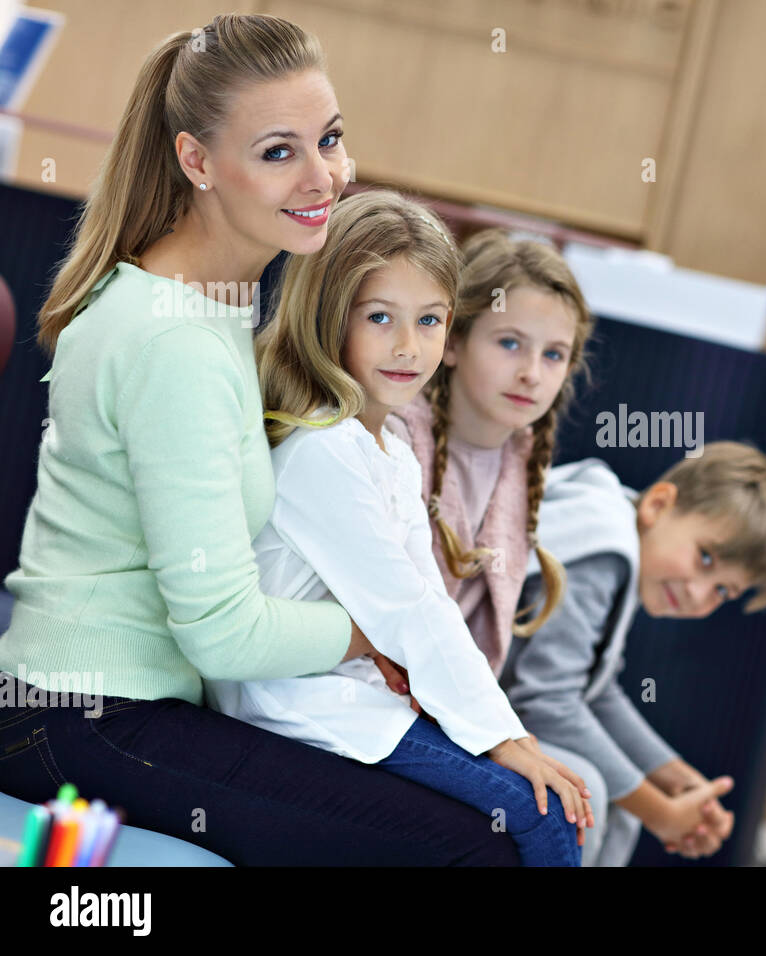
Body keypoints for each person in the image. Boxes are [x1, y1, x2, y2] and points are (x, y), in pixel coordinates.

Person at [0, 15, 519, 865]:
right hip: (86, 716)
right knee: (473, 847)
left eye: (332, 140)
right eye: (281, 152)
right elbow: (222, 633)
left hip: (94, 704)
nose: (325, 177)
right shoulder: (176, 341)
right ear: (196, 161)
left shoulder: (197, 306)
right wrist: (366, 636)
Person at [204, 191, 592, 866]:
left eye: (430, 321)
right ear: (331, 315)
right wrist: (505, 738)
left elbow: (429, 601)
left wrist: (507, 735)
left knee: (542, 812)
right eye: (380, 317)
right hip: (301, 706)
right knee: (541, 820)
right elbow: (407, 611)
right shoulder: (323, 446)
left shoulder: (388, 448)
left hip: (361, 698)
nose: (408, 347)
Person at [385, 227, 615, 860]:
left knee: (585, 790)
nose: (530, 373)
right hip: (385, 691)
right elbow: (408, 612)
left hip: (445, 699)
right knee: (556, 807)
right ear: (453, 341)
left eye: (553, 355)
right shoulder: (399, 434)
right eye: (510, 342)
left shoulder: (520, 455)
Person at [502, 441, 766, 865]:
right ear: (659, 504)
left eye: (722, 590)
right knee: (588, 790)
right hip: (439, 704)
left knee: (624, 803)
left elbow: (596, 690)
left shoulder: (623, 544)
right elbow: (544, 702)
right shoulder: (603, 548)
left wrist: (676, 779)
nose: (700, 593)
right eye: (704, 557)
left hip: (503, 712)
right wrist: (662, 813)